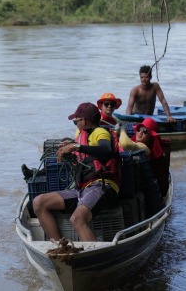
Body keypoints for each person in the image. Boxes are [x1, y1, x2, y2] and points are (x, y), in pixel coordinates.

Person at [32, 102, 121, 242]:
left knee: (77, 219)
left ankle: (91, 258)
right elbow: (84, 152)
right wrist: (69, 144)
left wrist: (76, 147)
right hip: (83, 188)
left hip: (103, 187)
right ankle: (60, 247)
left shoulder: (100, 132)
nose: (75, 123)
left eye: (76, 121)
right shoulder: (82, 135)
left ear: (84, 120)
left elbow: (106, 151)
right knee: (39, 202)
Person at [116, 117, 169, 196]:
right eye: (139, 129)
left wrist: (122, 130)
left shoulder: (145, 148)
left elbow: (125, 144)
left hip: (139, 185)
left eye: (145, 131)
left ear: (151, 137)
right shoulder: (134, 144)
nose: (140, 132)